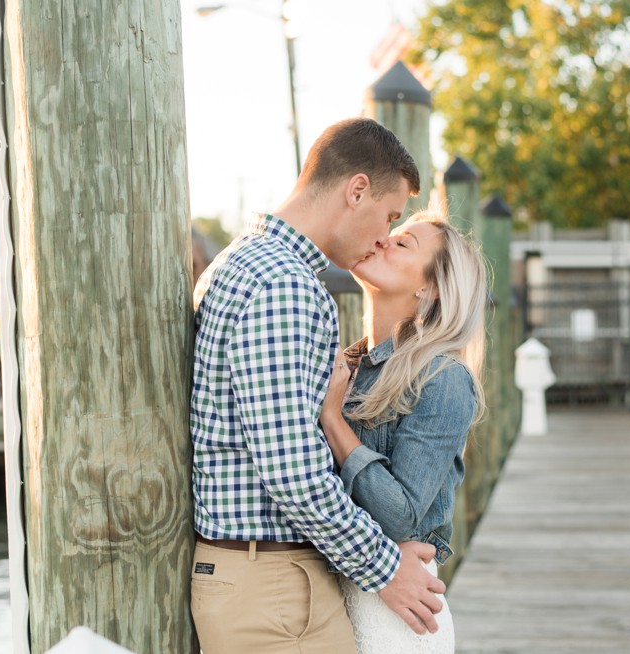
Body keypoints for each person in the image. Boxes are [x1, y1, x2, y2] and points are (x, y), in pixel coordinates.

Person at [189, 117, 446, 654]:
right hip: (274, 586)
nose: (383, 238)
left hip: (271, 579)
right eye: (389, 216)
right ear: (357, 190)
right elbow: (291, 472)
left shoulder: (246, 261)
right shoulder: (284, 284)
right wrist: (386, 570)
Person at [319, 210, 487, 653]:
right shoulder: (342, 366)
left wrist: (334, 422)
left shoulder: (443, 378)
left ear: (429, 287)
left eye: (403, 242)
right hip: (330, 598)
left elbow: (402, 518)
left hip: (398, 615)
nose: (381, 241)